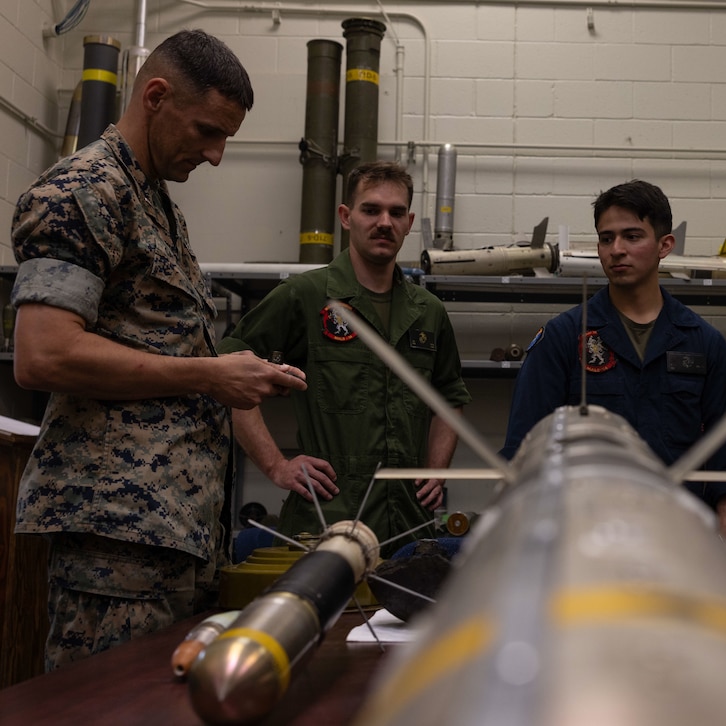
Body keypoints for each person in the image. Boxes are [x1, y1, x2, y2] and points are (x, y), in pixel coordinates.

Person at [9, 29, 308, 671]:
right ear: (156, 96)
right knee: (104, 712)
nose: (218, 154)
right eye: (206, 131)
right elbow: (42, 356)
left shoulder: (154, 204)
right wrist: (210, 375)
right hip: (115, 532)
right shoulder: (83, 192)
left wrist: (238, 373)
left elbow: (159, 342)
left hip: (174, 530)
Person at [218, 161, 471, 558]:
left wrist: (435, 469)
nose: (384, 222)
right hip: (327, 519)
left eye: (396, 212)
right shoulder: (306, 295)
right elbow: (225, 371)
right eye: (371, 210)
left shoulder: (429, 312)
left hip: (407, 521)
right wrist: (276, 466)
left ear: (409, 222)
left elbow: (449, 395)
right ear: (346, 217)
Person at [500, 180, 726, 543]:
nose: (616, 250)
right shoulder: (563, 338)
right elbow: (521, 456)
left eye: (632, 236)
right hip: (582, 546)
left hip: (679, 546)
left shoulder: (704, 344)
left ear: (665, 245)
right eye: (607, 238)